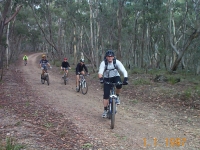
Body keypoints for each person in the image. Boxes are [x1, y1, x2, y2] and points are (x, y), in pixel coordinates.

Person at [98, 50, 128, 118]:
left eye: (111, 56)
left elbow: (124, 70)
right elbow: (100, 72)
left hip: (115, 77)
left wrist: (125, 79)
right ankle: (105, 110)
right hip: (106, 78)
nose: (110, 58)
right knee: (106, 95)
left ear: (113, 57)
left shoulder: (117, 62)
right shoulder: (103, 63)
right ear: (106, 57)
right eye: (108, 56)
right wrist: (101, 79)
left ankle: (117, 96)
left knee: (119, 85)